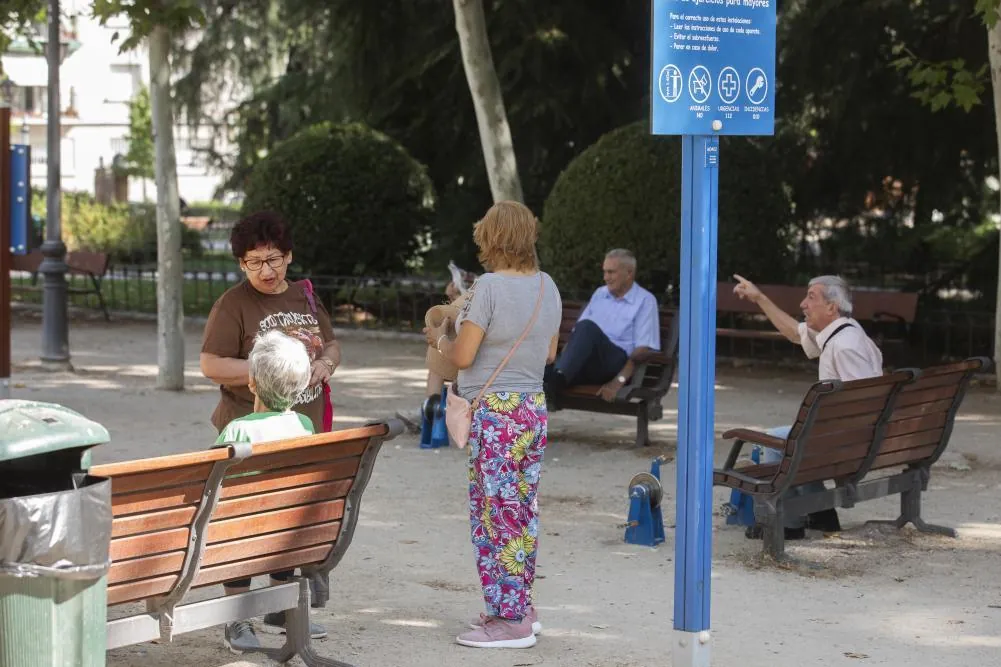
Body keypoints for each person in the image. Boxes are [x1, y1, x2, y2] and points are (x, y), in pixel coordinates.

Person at [423, 201, 561, 649]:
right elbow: (549, 354)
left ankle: (509, 621)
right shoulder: (548, 287)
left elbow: (461, 356)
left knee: (493, 514)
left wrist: (440, 337)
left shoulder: (489, 289)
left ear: (493, 238)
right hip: (532, 408)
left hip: (496, 414)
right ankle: (521, 604)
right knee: (520, 510)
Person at [200, 210, 339, 648]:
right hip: (248, 430)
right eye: (254, 261)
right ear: (241, 263)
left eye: (274, 259)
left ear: (289, 256)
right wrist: (268, 370)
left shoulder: (306, 297)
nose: (266, 270)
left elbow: (331, 343)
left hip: (298, 428)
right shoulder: (233, 304)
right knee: (242, 519)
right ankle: (238, 614)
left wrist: (323, 364)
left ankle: (280, 607)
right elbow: (210, 364)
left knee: (287, 517)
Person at [728, 273, 884, 539]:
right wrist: (760, 298)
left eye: (811, 297)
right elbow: (794, 332)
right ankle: (822, 514)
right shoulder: (845, 332)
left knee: (775, 442)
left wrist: (825, 430)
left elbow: (864, 404)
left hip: (850, 444)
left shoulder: (844, 346)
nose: (803, 304)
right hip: (852, 438)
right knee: (794, 439)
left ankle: (789, 524)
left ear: (832, 307)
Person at [214, 329, 323, 653]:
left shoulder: (238, 430)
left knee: (234, 525)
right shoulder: (304, 426)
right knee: (283, 512)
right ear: (302, 386)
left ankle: (237, 616)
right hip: (288, 536)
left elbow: (214, 487)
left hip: (242, 538)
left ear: (251, 384)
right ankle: (280, 608)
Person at [544, 249, 660, 402]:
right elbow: (577, 336)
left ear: (629, 273)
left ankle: (555, 384)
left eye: (611, 272)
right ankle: (554, 382)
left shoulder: (645, 301)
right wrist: (561, 364)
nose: (606, 278)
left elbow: (642, 350)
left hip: (613, 361)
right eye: (605, 272)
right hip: (587, 362)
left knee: (587, 327)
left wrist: (617, 383)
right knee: (536, 369)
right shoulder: (600, 294)